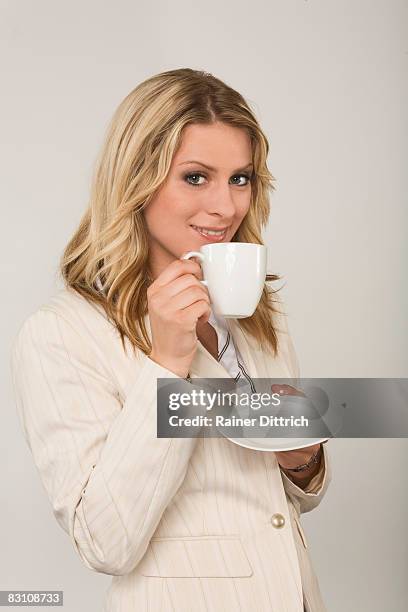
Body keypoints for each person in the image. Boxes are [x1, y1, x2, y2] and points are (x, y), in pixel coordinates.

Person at [10, 68, 331, 612]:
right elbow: (104, 542)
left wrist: (303, 461)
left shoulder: (256, 316)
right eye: (196, 177)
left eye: (240, 178)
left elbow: (278, 504)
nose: (227, 208)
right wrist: (166, 365)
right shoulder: (62, 334)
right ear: (136, 178)